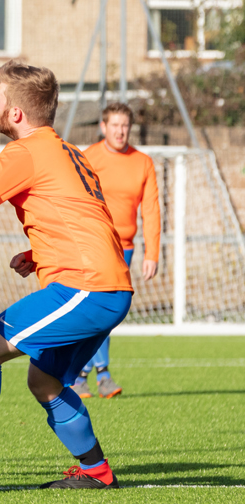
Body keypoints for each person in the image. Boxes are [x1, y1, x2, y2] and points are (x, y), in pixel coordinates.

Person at [0, 61, 133, 492]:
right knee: (44, 381)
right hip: (105, 285)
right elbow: (86, 218)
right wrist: (38, 253)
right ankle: (97, 472)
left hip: (85, 286)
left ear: (16, 113)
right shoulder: (69, 151)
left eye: (0, 99)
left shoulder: (26, 150)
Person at [73, 102, 159, 399]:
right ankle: (98, 375)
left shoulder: (143, 162)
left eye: (125, 126)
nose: (121, 131)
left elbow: (151, 210)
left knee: (107, 314)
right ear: (103, 126)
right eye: (115, 125)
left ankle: (85, 375)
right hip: (93, 246)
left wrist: (152, 253)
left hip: (125, 249)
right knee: (99, 311)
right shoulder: (88, 158)